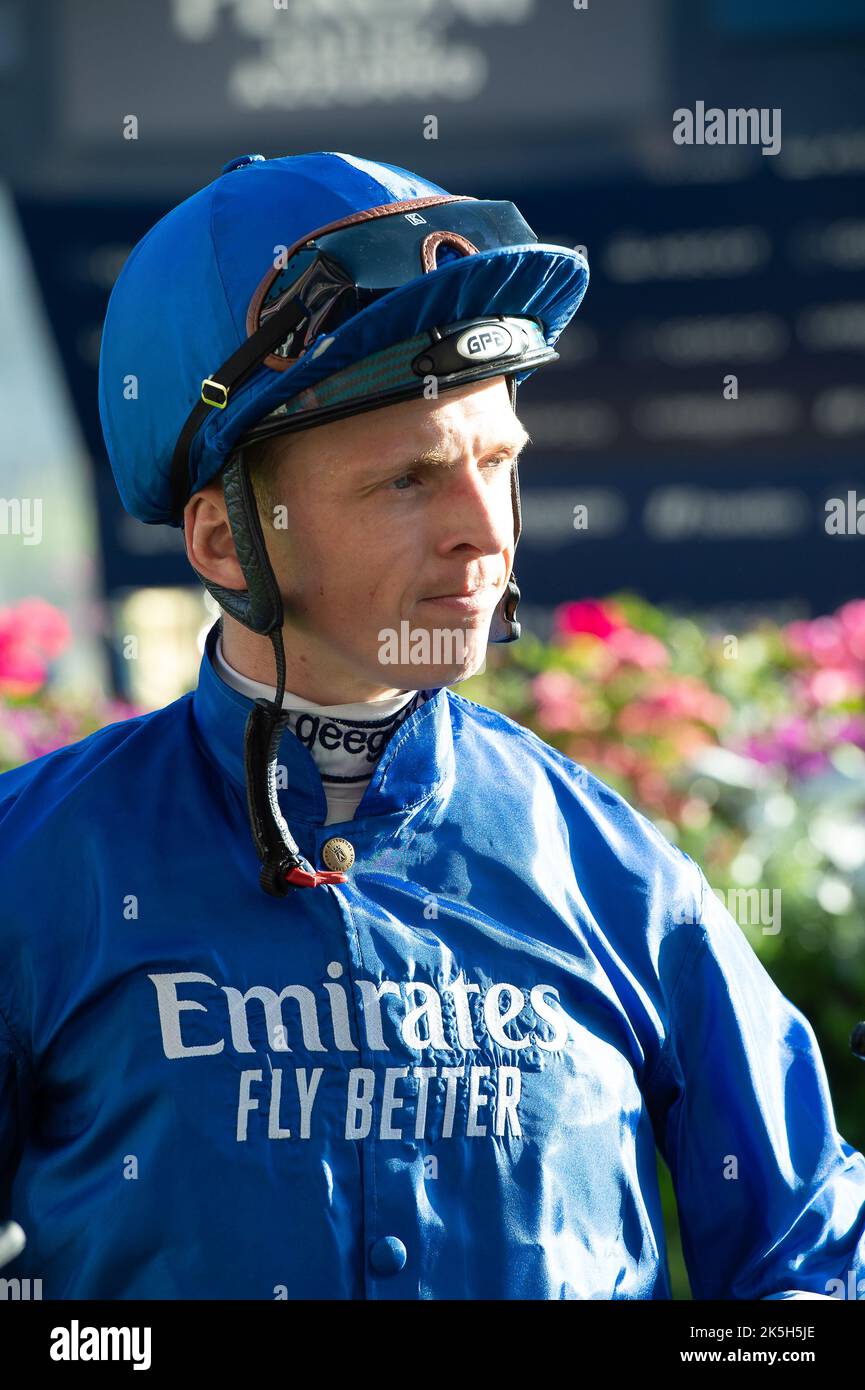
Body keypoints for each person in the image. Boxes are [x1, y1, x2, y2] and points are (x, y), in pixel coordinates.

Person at [0, 151, 862, 1301]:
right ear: (221, 542)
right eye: (406, 480)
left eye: (497, 462)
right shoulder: (33, 868)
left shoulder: (617, 870)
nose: (481, 530)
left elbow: (807, 1255)